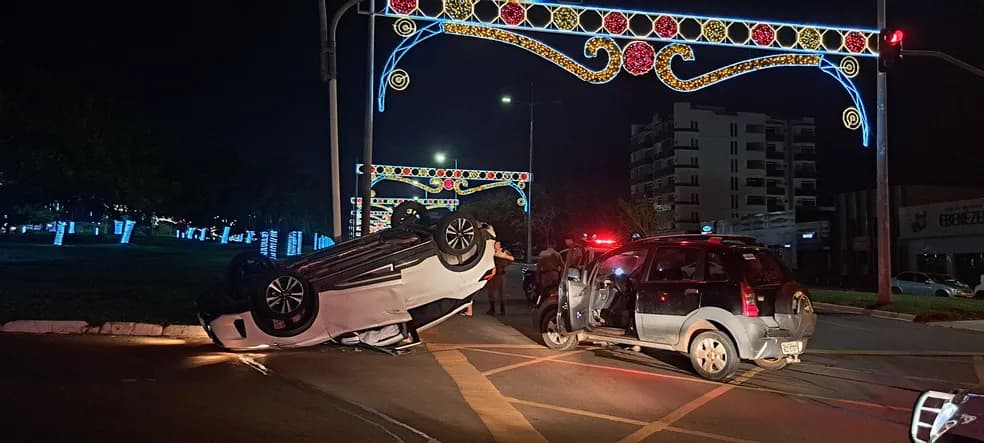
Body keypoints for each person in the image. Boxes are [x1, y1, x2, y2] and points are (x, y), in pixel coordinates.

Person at [487, 241, 514, 316]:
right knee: (491, 293)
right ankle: (492, 309)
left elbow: (511, 259)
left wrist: (504, 262)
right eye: (496, 244)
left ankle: (503, 310)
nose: (497, 246)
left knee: (501, 293)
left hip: (500, 274)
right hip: (492, 275)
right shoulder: (490, 252)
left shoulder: (503, 252)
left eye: (498, 244)